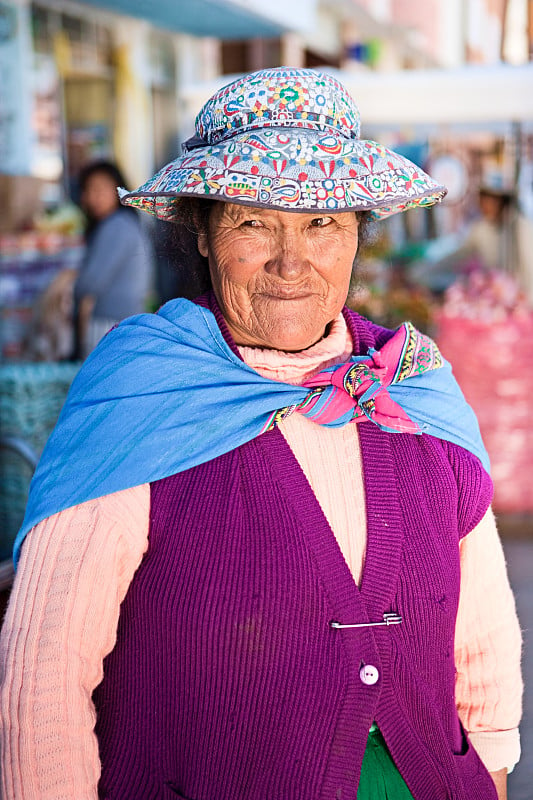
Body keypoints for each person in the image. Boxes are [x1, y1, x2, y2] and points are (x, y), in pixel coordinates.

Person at [0, 68, 522, 800]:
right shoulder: (140, 393)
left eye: (321, 225)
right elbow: (44, 681)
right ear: (205, 236)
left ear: (353, 241)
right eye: (253, 222)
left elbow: (482, 640)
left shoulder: (412, 386)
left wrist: (491, 773)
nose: (290, 261)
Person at [74, 159, 154, 357]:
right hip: (125, 321)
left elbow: (90, 283)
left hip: (109, 324)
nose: (93, 197)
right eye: (89, 190)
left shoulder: (116, 225)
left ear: (117, 190)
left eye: (100, 189)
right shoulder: (125, 222)